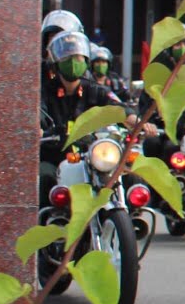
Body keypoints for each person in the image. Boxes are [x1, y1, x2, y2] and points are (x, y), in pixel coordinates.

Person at [39, 30, 125, 203]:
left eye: (78, 58)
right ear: (56, 62)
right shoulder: (45, 91)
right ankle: (46, 221)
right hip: (55, 154)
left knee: (120, 174)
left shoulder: (94, 89)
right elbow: (37, 113)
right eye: (68, 58)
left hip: (90, 156)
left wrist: (135, 121)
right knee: (45, 177)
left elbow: (119, 108)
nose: (73, 62)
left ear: (86, 61)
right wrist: (40, 130)